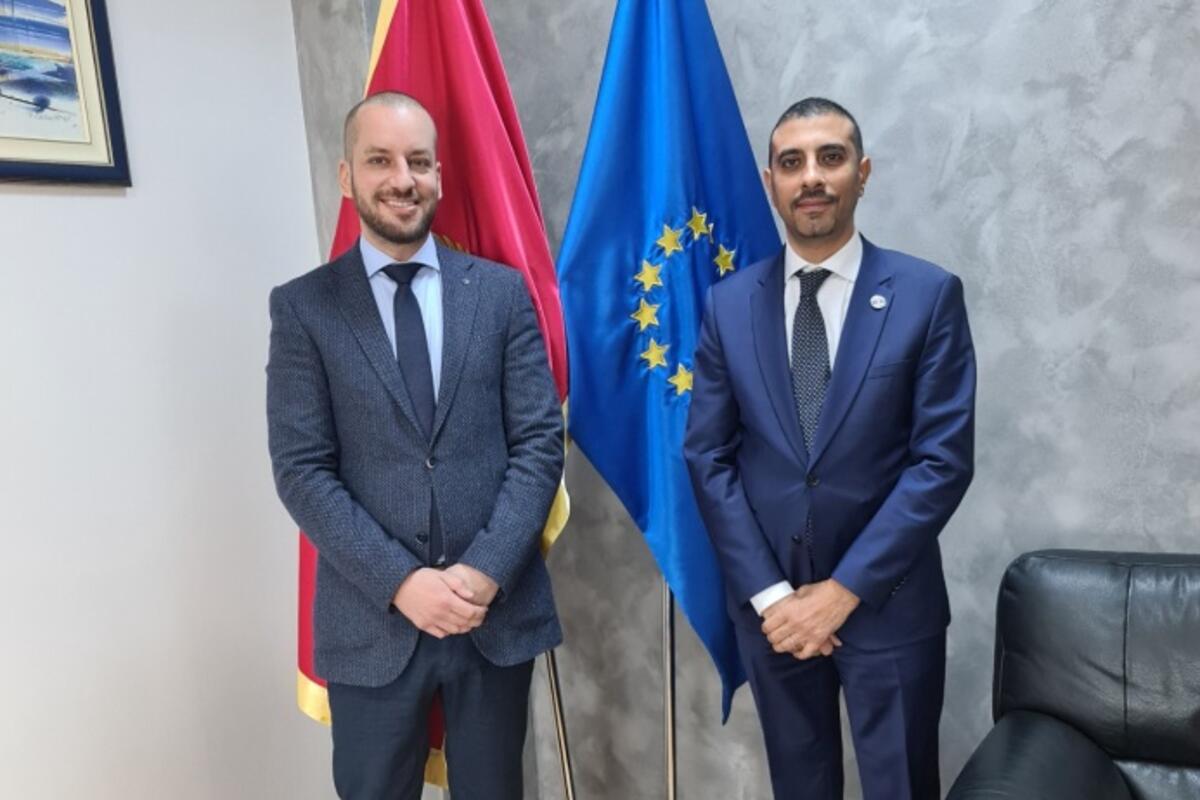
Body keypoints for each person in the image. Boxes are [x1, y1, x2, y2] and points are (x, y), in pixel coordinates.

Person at [266, 91, 563, 800]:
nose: (402, 179)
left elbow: (539, 444)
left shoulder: (500, 295)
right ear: (348, 177)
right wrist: (403, 583)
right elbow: (303, 471)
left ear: (438, 176)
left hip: (492, 615)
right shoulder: (304, 307)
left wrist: (482, 573)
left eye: (418, 162)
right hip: (371, 621)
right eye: (380, 161)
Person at [684, 97, 976, 799]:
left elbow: (941, 463)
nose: (811, 176)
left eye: (831, 157)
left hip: (889, 604)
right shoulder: (729, 304)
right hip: (774, 615)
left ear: (862, 173)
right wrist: (773, 597)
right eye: (792, 163)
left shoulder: (926, 295)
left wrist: (842, 594)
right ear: (771, 183)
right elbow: (708, 457)